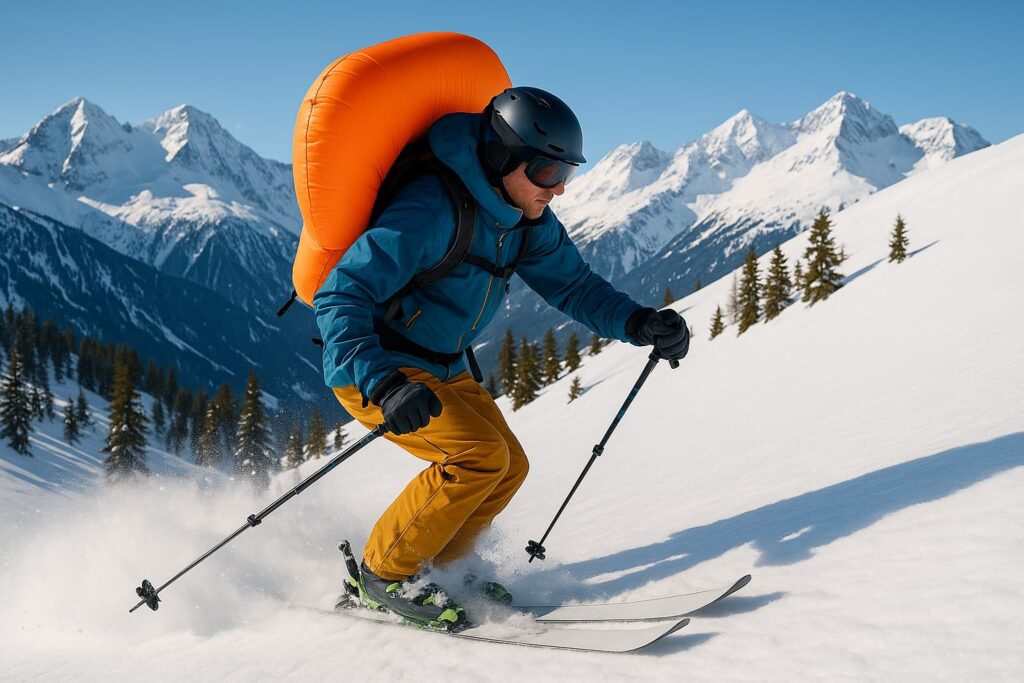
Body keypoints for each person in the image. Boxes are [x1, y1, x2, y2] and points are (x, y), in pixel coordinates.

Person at [313, 86, 689, 629]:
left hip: (444, 365)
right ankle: (381, 576)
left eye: (567, 174)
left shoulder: (524, 217)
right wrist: (385, 383)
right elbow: (340, 295)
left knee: (509, 466)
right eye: (544, 171)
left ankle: (439, 568)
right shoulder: (430, 209)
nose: (557, 189)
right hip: (378, 367)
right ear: (500, 158)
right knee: (476, 456)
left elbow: (575, 286)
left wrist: (637, 322)